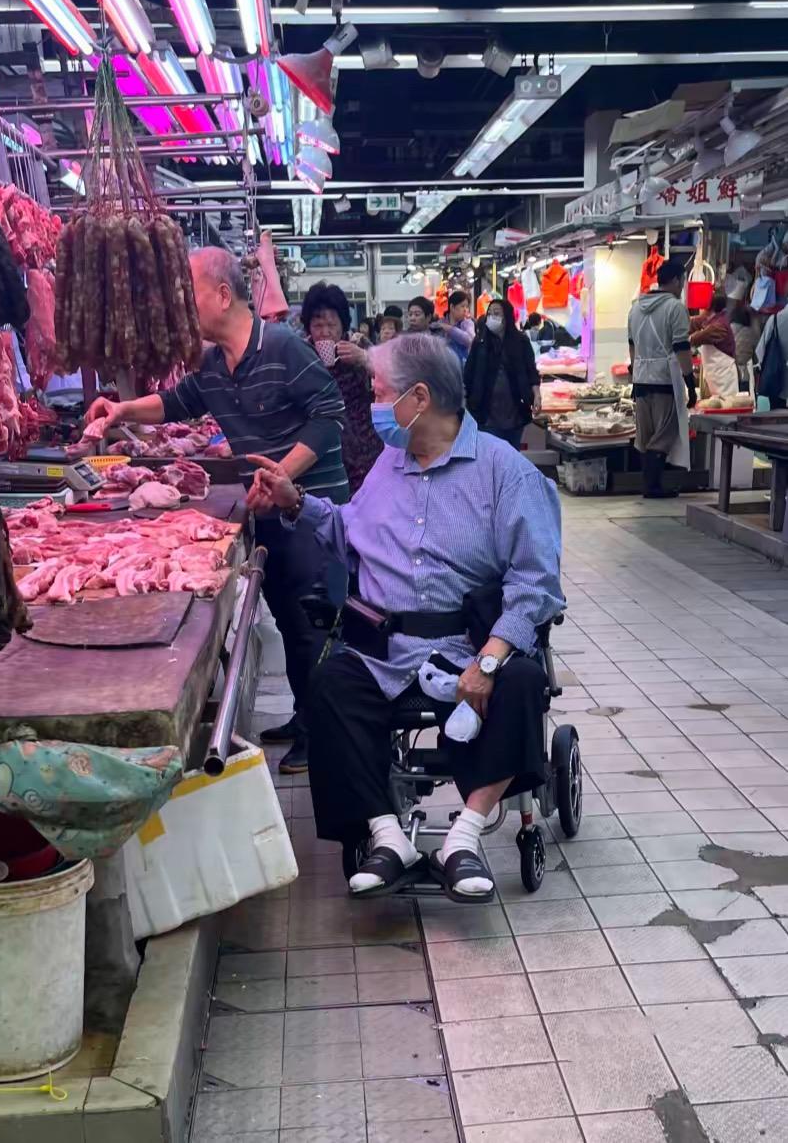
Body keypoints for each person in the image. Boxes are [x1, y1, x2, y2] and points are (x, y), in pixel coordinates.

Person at [248, 332, 563, 901]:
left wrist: (489, 662)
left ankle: (463, 839)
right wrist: (295, 501)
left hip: (471, 647)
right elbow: (351, 530)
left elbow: (536, 582)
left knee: (521, 681)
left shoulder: (505, 472)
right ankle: (388, 836)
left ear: (418, 398)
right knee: (329, 684)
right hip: (388, 654)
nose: (371, 403)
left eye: (379, 391)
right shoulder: (389, 465)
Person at [85, 248, 348, 775]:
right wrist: (122, 409)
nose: (182, 304)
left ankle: (326, 736)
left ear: (223, 295)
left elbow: (329, 416)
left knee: (313, 630)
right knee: (291, 622)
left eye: (190, 292)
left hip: (312, 514)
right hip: (269, 513)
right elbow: (176, 402)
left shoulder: (283, 346)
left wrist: (281, 477)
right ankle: (307, 719)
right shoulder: (212, 364)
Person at [302, 281, 383, 495]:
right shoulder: (302, 355)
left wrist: (363, 359)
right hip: (324, 458)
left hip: (367, 452)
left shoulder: (360, 346)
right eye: (318, 326)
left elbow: (395, 379)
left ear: (343, 324)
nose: (325, 332)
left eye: (332, 325)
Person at [628, 259, 696, 499]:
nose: (682, 287)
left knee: (645, 435)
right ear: (676, 280)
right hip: (665, 380)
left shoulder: (636, 308)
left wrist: (634, 379)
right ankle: (653, 486)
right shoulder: (675, 308)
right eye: (683, 281)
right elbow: (681, 347)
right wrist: (690, 383)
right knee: (665, 432)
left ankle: (648, 485)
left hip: (641, 379)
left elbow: (632, 347)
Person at [464, 299, 541, 449]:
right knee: (491, 454)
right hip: (486, 411)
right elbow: (469, 374)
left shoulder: (521, 341)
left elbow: (531, 372)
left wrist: (536, 395)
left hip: (516, 410)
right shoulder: (480, 342)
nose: (492, 317)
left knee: (512, 453)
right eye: (489, 313)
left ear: (507, 316)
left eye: (497, 313)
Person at [690, 293, 737, 400]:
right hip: (715, 376)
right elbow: (695, 322)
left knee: (727, 406)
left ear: (709, 308)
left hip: (724, 378)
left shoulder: (719, 325)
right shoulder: (712, 318)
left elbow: (697, 338)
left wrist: (682, 340)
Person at [434, 289, 475, 363]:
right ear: (452, 307)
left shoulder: (467, 323)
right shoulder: (440, 323)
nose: (465, 310)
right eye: (462, 306)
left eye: (467, 307)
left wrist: (449, 329)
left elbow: (470, 340)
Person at [731, 303, 762, 390]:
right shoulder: (751, 333)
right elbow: (757, 352)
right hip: (744, 374)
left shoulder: (728, 329)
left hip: (729, 373)